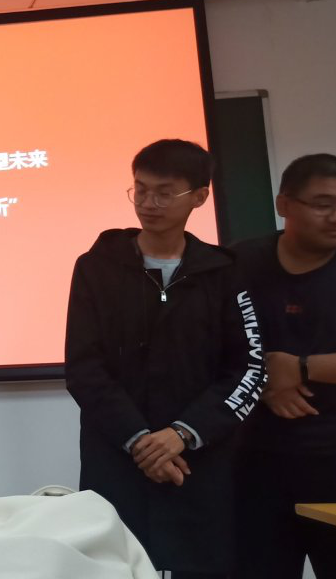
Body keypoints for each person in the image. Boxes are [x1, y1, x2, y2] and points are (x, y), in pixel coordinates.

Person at [65, 139, 264, 577]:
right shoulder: (97, 266)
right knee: (116, 566)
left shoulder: (225, 271)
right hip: (117, 454)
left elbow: (249, 368)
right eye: (140, 189)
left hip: (199, 459)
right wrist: (141, 441)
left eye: (164, 193)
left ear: (199, 196)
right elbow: (83, 368)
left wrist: (181, 434)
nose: (148, 203)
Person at [233, 153, 336, 579]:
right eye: (323, 204)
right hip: (255, 461)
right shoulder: (238, 263)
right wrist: (266, 378)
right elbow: (207, 348)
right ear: (284, 204)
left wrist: (301, 367)